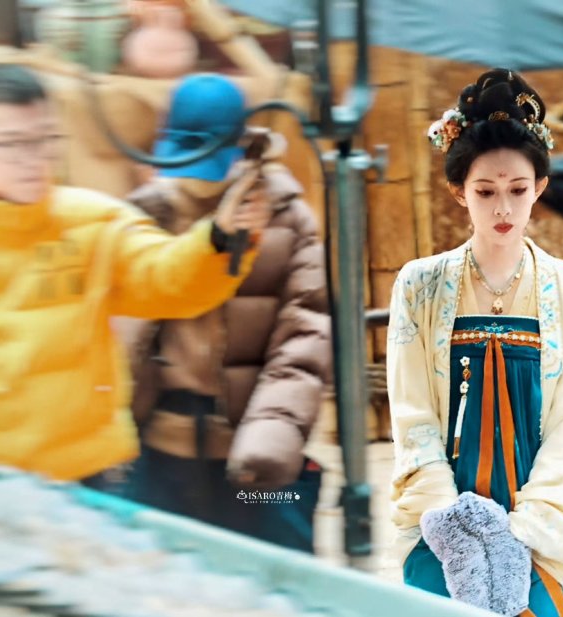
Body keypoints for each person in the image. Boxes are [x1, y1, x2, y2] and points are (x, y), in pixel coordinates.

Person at [386, 68, 563, 617]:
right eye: (485, 191)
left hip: (546, 514)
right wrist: (453, 528)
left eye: (518, 190)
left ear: (539, 187)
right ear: (459, 192)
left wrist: (524, 530)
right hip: (443, 512)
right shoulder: (420, 285)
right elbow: (412, 413)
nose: (503, 209)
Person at [0, 65, 270, 481]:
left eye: (44, 140)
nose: (32, 160)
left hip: (87, 474)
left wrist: (219, 237)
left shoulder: (94, 221)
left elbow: (164, 276)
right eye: (11, 143)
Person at [112, 74, 331, 552]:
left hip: (256, 459)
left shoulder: (287, 217)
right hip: (159, 454)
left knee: (276, 578)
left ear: (243, 146)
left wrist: (268, 441)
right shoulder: (142, 216)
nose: (198, 174)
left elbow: (305, 336)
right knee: (156, 580)